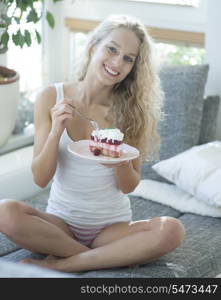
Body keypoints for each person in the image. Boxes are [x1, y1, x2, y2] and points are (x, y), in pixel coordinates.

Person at [0, 14, 185, 272]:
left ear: (133, 67)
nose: (117, 62)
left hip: (111, 229)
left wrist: (117, 160)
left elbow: (130, 185)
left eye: (128, 58)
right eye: (112, 49)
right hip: (60, 224)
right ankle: (104, 257)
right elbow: (40, 179)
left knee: (172, 230)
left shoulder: (132, 111)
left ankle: (64, 265)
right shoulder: (51, 96)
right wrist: (56, 131)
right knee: (5, 211)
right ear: (92, 47)